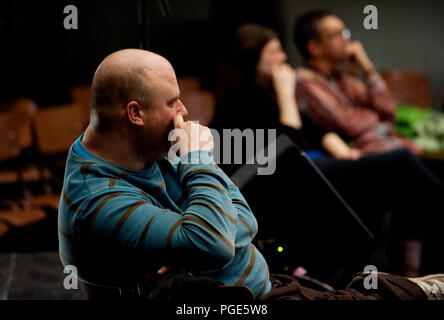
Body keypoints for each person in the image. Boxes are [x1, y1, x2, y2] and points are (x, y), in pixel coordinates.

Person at [58, 48, 444, 300]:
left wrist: (204, 239)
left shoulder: (146, 146)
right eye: (171, 101)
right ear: (135, 113)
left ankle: (415, 288)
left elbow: (244, 222)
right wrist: (198, 162)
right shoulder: (97, 199)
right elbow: (217, 243)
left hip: (252, 284)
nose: (183, 113)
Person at [212, 23, 444, 278]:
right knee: (400, 162)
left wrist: (339, 147)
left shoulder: (269, 91)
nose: (283, 58)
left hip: (306, 171)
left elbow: (314, 130)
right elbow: (283, 150)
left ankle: (384, 272)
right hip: (274, 184)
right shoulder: (239, 103)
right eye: (274, 52)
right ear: (252, 58)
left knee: (389, 184)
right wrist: (287, 96)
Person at [293, 10, 422, 156]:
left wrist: (367, 68)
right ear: (314, 48)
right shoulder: (305, 82)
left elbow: (389, 112)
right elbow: (347, 124)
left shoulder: (341, 78)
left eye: (345, 32)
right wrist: (375, 118)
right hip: (360, 155)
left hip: (388, 146)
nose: (346, 39)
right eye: (337, 34)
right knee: (406, 157)